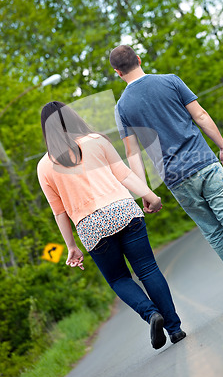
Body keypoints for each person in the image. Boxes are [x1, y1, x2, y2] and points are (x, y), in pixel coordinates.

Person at [110, 45, 223, 299]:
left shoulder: (121, 108)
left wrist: (145, 191)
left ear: (118, 72)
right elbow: (201, 116)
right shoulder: (170, 81)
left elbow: (133, 154)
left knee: (213, 231)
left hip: (175, 177)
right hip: (204, 162)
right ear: (139, 59)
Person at [37, 101, 186, 349]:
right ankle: (175, 328)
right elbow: (124, 174)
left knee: (119, 279)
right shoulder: (97, 140)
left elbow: (59, 213)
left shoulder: (44, 166)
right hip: (124, 210)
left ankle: (151, 314)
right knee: (148, 269)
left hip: (91, 226)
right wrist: (150, 196)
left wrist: (71, 246)